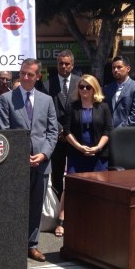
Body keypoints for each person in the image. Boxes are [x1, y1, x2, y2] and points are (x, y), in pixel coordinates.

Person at [0, 58, 58, 262]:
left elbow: (52, 132)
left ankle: (32, 245)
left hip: (41, 163)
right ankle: (12, 245)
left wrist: (44, 154)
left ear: (38, 76)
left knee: (35, 207)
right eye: (22, 73)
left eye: (30, 74)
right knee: (16, 205)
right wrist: (21, 156)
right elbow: (4, 132)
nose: (25, 77)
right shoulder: (6, 99)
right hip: (17, 163)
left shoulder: (46, 100)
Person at [55, 74, 112, 237]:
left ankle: (98, 219)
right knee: (71, 187)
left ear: (95, 88)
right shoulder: (72, 106)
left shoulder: (103, 107)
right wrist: (80, 147)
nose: (84, 90)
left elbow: (108, 130)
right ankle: (62, 221)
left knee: (99, 188)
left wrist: (97, 147)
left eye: (88, 87)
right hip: (76, 153)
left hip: (98, 154)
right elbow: (66, 131)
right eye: (81, 87)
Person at [43, 50, 81, 197]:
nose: (64, 66)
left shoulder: (81, 83)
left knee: (76, 173)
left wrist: (69, 132)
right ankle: (58, 206)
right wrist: (60, 131)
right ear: (57, 64)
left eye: (67, 64)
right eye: (61, 63)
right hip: (57, 137)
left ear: (72, 65)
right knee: (57, 174)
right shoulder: (47, 85)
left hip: (76, 136)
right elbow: (47, 112)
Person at [102, 56, 135, 128]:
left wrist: (119, 129)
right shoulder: (107, 88)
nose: (116, 70)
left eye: (119, 67)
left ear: (128, 69)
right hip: (111, 134)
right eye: (114, 68)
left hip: (129, 133)